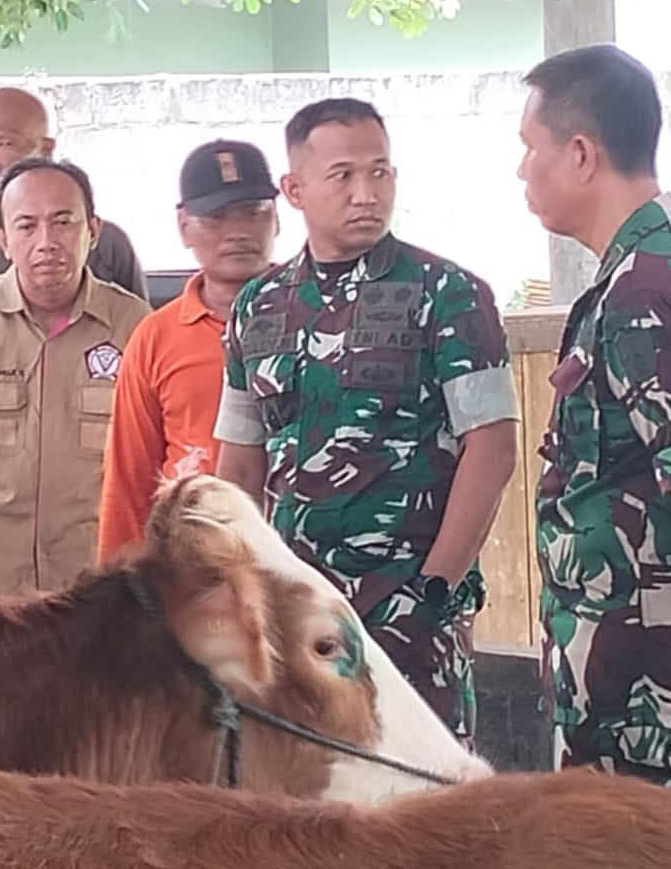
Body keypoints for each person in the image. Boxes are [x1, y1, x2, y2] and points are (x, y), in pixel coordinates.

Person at [213, 98, 519, 744]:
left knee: (427, 785)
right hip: (297, 614)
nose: (366, 193)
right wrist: (240, 592)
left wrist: (435, 589)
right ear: (294, 190)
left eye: (380, 172)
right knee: (307, 783)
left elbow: (492, 449)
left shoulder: (450, 294)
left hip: (410, 610)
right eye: (343, 175)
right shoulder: (257, 306)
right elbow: (239, 463)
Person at [517, 45, 671, 796]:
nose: (522, 171)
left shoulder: (647, 287)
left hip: (664, 703)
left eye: (531, 148)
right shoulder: (646, 268)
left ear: (581, 154)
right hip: (632, 688)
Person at [0, 157, 150, 611]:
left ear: (93, 230)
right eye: (26, 225)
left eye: (63, 222)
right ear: (2, 237)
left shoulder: (134, 326)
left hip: (93, 576)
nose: (46, 242)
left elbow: (149, 455)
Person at [97, 139, 280, 560]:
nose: (238, 232)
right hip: (193, 564)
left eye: (254, 212)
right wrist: (117, 585)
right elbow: (129, 480)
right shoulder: (155, 337)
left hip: (299, 558)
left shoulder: (317, 320)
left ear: (277, 218)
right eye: (215, 217)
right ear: (183, 226)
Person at [0, 88, 148, 305]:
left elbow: (139, 326)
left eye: (4, 144)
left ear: (45, 149)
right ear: (2, 238)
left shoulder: (108, 246)